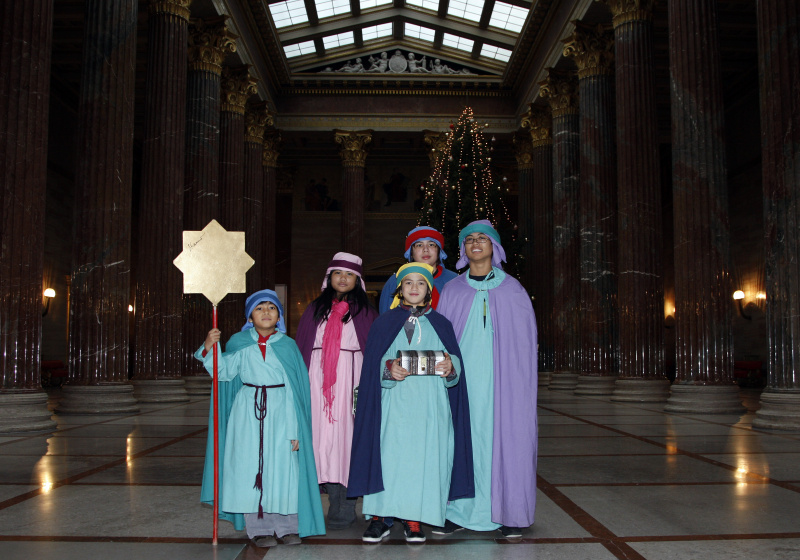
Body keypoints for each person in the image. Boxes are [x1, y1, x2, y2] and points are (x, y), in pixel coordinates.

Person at [348, 263, 473, 544]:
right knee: (389, 458)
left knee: (424, 460)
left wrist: (450, 367)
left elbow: (456, 371)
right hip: (395, 405)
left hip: (431, 406)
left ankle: (414, 519)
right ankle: (380, 518)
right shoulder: (384, 322)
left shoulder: (442, 324)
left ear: (429, 290)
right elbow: (372, 367)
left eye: (420, 283)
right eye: (408, 283)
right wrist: (388, 367)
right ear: (399, 289)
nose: (414, 288)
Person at [434, 220, 538, 539]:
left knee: (508, 442)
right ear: (463, 250)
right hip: (462, 384)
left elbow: (525, 346)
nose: (475, 243)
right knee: (462, 440)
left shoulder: (513, 291)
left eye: (482, 238)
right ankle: (458, 511)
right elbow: (441, 342)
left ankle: (510, 513)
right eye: (469, 240)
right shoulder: (452, 290)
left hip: (505, 386)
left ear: (495, 246)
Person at [197, 290, 325, 547]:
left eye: (271, 308)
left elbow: (297, 391)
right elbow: (222, 373)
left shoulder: (288, 346)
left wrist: (296, 429)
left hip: (282, 411)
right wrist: (209, 348)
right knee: (249, 470)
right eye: (259, 308)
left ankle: (287, 527)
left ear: (279, 316)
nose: (266, 312)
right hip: (247, 413)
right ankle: (259, 528)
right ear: (250, 316)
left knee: (284, 470)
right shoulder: (238, 342)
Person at [296, 252, 378, 529]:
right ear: (329, 278)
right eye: (338, 273)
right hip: (317, 383)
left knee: (348, 441)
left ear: (358, 280)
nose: (343, 279)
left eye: (349, 275)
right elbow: (302, 349)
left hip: (351, 382)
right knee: (321, 440)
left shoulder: (366, 313)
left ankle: (346, 504)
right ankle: (329, 498)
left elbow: (375, 352)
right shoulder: (313, 310)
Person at [378, 226, 457, 313]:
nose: (425, 249)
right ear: (411, 253)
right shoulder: (395, 281)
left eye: (431, 244)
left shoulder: (453, 280)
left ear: (438, 251)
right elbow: (385, 319)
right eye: (419, 245)